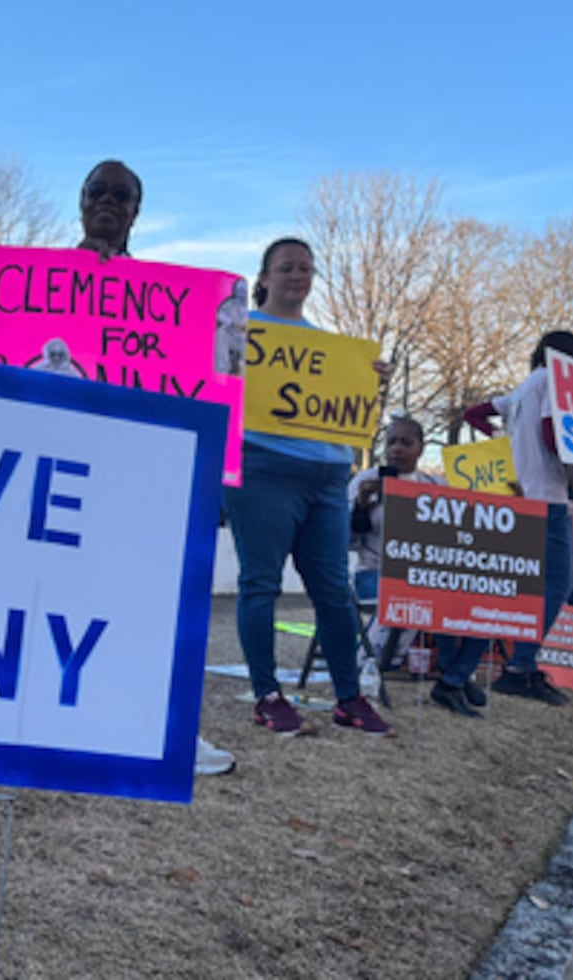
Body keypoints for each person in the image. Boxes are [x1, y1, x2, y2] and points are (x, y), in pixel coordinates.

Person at [78, 160, 235, 774]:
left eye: (121, 195)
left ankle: (163, 727)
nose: (108, 201)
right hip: (59, 468)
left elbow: (208, 378)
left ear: (136, 211)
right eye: (97, 191)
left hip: (131, 473)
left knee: (144, 602)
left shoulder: (164, 302)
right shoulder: (35, 285)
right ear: (81, 201)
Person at [223, 237, 395, 737]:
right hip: (263, 468)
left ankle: (348, 698)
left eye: (305, 268)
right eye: (286, 268)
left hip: (328, 475)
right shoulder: (242, 333)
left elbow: (352, 413)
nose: (297, 276)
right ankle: (268, 696)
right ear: (263, 278)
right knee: (261, 583)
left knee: (335, 591)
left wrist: (370, 385)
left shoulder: (331, 348)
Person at [349, 413, 489, 717]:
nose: (396, 449)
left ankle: (454, 678)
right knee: (424, 595)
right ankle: (453, 677)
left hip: (427, 576)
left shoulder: (437, 486)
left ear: (421, 448)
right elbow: (345, 539)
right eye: (391, 442)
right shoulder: (365, 481)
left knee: (484, 606)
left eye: (405, 442)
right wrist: (360, 506)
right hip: (374, 573)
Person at [463, 330, 573, 705]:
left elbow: (473, 414)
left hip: (521, 497)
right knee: (558, 584)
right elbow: (551, 432)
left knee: (523, 585)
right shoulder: (555, 383)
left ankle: (514, 664)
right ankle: (520, 667)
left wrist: (503, 443)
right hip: (549, 496)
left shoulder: (520, 391)